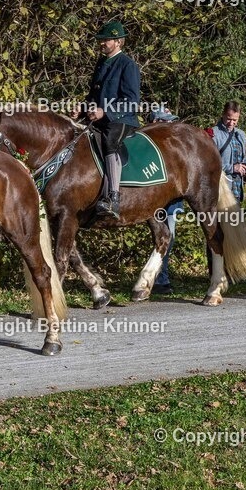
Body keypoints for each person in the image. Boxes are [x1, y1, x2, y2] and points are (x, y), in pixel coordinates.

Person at [81, 21, 141, 220]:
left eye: (106, 40)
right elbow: (93, 96)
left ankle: (113, 197)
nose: (102, 43)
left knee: (109, 140)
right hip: (99, 117)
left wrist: (105, 111)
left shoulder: (127, 65)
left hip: (122, 119)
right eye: (101, 40)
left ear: (118, 42)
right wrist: (82, 108)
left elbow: (132, 101)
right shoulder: (101, 63)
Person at [148, 107, 182, 295]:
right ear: (154, 122)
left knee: (169, 238)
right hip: (153, 205)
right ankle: (159, 278)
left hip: (171, 205)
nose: (170, 125)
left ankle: (160, 277)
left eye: (171, 122)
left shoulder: (173, 148)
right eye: (165, 121)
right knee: (163, 238)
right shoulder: (149, 148)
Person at [209, 101, 246, 204]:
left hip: (237, 190)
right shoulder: (213, 135)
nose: (231, 123)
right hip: (220, 191)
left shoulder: (241, 135)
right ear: (223, 114)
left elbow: (245, 159)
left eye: (235, 120)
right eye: (229, 119)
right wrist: (232, 168)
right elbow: (208, 165)